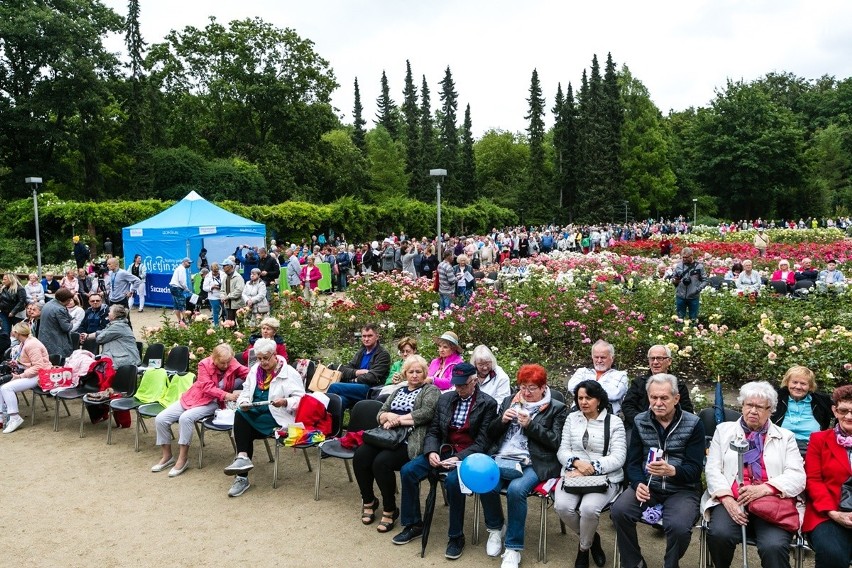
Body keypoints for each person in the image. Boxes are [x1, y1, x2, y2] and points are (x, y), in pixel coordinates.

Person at [392, 362, 498, 560]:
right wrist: (431, 451)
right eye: (456, 385)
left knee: (452, 482)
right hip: (443, 450)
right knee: (408, 471)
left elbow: (483, 442)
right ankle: (414, 524)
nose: (458, 389)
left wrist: (458, 457)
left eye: (463, 385)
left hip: (469, 455)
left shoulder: (488, 404)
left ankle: (456, 536)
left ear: (474, 381)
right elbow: (433, 431)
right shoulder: (446, 399)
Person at [702, 381, 805, 568]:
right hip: (732, 498)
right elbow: (712, 469)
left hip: (772, 501)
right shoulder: (723, 431)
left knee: (773, 546)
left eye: (759, 407)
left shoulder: (785, 437)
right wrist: (727, 499)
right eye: (749, 405)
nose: (753, 411)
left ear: (770, 410)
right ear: (742, 406)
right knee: (720, 534)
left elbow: (797, 476)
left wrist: (764, 489)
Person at [611, 373, 705, 568]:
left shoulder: (693, 423)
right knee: (619, 510)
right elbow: (633, 463)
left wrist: (672, 471)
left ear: (676, 398)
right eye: (654, 397)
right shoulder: (640, 421)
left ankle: (670, 564)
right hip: (649, 487)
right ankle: (634, 562)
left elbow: (695, 469)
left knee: (678, 527)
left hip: (682, 489)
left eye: (664, 398)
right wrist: (637, 484)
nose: (658, 403)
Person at [479, 364, 568, 568]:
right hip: (504, 456)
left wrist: (531, 426)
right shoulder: (510, 400)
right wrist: (501, 420)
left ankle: (513, 548)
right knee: (486, 481)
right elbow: (490, 434)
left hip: (535, 462)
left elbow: (556, 442)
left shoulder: (556, 408)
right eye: (522, 387)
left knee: (516, 489)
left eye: (531, 388)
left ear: (543, 387)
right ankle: (495, 528)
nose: (526, 393)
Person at [354, 355, 440, 533]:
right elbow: (381, 413)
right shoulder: (398, 390)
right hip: (386, 435)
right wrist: (388, 417)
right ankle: (369, 500)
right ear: (405, 373)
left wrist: (398, 420)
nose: (415, 375)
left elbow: (426, 413)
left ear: (425, 373)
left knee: (381, 463)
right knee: (361, 456)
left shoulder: (430, 390)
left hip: (409, 440)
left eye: (418, 372)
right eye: (411, 372)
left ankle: (390, 509)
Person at [554, 380, 627, 568]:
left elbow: (618, 457)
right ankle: (592, 538)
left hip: (604, 477)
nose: (583, 402)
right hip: (573, 474)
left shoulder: (614, 422)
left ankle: (584, 549)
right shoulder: (572, 419)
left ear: (599, 399)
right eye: (580, 398)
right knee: (562, 507)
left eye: (588, 397)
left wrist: (590, 467)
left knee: (588, 509)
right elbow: (563, 450)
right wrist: (576, 463)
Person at [222, 338, 305, 497]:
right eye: (259, 358)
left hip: (277, 417)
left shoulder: (289, 373)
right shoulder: (255, 370)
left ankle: (241, 476)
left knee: (244, 431)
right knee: (241, 413)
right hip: (257, 412)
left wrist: (285, 401)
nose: (262, 362)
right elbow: (245, 392)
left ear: (275, 355)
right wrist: (245, 402)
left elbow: (301, 399)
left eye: (266, 358)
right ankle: (242, 459)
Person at [151, 344, 248, 477]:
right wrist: (227, 395)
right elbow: (207, 387)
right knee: (161, 419)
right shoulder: (204, 364)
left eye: (227, 362)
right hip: (194, 397)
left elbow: (248, 373)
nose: (226, 366)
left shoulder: (232, 362)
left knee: (186, 418)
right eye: (222, 362)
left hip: (214, 402)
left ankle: (182, 459)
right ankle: (167, 456)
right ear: (214, 358)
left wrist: (262, 374)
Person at [803, 384, 852, 568]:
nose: (849, 416)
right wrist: (834, 513)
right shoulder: (819, 439)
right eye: (843, 410)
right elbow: (813, 480)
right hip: (827, 512)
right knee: (833, 555)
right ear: (834, 410)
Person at [622, 345, 694, 431]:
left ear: (669, 361)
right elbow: (627, 406)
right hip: (639, 426)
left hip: (669, 428)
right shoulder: (639, 382)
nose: (655, 362)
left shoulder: (678, 385)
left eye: (660, 358)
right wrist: (643, 422)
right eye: (652, 358)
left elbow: (686, 411)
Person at [0, 322, 51, 433]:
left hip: (40, 375)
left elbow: (38, 367)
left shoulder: (31, 344)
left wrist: (20, 376)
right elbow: (29, 363)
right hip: (30, 372)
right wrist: (16, 364)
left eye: (13, 331)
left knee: (6, 388)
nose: (12, 333)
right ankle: (2, 416)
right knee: (2, 385)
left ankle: (14, 417)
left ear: (17, 333)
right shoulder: (24, 342)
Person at [770, 365, 832, 455]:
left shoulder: (821, 401)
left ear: (810, 386)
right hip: (780, 447)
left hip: (812, 449)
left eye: (803, 384)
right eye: (794, 382)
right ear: (787, 383)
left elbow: (840, 412)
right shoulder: (776, 398)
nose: (798, 387)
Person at [326, 324, 391, 410]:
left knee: (334, 387)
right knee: (339, 400)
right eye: (364, 336)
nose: (366, 339)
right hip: (356, 387)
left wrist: (354, 379)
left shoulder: (383, 354)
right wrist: (357, 372)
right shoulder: (361, 352)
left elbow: (372, 377)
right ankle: (334, 423)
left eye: (370, 336)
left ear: (377, 337)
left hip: (370, 389)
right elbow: (346, 369)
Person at [566, 340, 629, 415]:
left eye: (603, 357)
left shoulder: (621, 375)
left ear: (612, 358)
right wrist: (600, 390)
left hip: (607, 417)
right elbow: (571, 387)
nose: (599, 360)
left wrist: (585, 389)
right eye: (596, 357)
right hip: (578, 414)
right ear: (592, 357)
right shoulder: (582, 371)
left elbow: (614, 394)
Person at [672, 247, 708, 320]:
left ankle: (692, 329)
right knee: (680, 318)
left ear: (691, 256)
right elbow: (673, 278)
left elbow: (705, 280)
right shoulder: (678, 266)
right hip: (680, 296)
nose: (684, 259)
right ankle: (679, 330)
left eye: (686, 257)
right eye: (683, 257)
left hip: (693, 297)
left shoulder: (699, 267)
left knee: (693, 318)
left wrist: (698, 289)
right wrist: (675, 281)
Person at [39, 288, 75, 358]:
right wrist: (71, 322)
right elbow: (66, 328)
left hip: (45, 340)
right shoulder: (60, 309)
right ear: (67, 300)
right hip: (56, 343)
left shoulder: (47, 304)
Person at [169, 257, 193, 324]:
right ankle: (186, 321)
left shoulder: (178, 268)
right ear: (184, 262)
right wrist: (187, 289)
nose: (189, 264)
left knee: (176, 305)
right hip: (177, 288)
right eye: (189, 263)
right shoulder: (182, 269)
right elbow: (182, 281)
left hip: (173, 287)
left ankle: (180, 321)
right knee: (182, 305)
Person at [203, 262, 223, 327]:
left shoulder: (223, 274)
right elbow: (204, 288)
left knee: (225, 311)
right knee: (215, 311)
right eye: (213, 272)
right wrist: (212, 287)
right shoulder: (208, 276)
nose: (215, 273)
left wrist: (220, 287)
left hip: (223, 295)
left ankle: (225, 325)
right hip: (213, 297)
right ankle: (216, 326)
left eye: (216, 271)